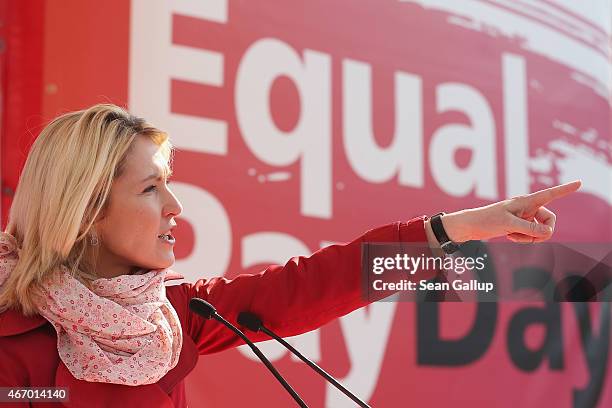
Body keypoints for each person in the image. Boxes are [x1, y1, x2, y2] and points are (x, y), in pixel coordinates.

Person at [0, 104, 581, 407]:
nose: (176, 204)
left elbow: (321, 282)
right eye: (151, 188)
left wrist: (463, 228)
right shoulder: (13, 348)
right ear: (86, 210)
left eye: (169, 182)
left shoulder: (174, 318)